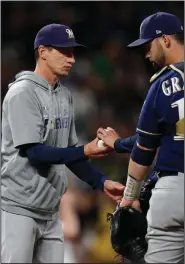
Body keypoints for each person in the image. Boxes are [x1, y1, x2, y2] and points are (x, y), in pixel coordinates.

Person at [1, 24, 125, 263]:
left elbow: (68, 153)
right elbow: (34, 152)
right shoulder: (22, 93)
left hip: (50, 210)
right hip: (18, 209)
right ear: (43, 51)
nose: (71, 59)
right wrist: (85, 150)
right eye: (64, 52)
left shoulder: (64, 95)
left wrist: (101, 182)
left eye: (73, 53)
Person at [109, 12, 184, 264]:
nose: (146, 54)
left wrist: (130, 198)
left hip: (174, 193)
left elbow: (144, 149)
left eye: (148, 45)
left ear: (165, 40)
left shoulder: (161, 85)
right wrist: (119, 143)